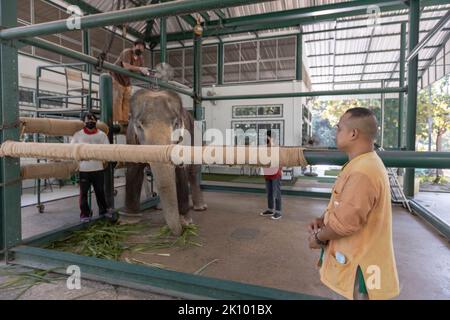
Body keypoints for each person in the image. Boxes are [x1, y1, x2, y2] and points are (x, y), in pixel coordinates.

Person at [307, 107, 399, 300]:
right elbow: (345, 206)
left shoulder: (362, 172)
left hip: (358, 273)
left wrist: (318, 237)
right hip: (356, 267)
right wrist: (323, 219)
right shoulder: (361, 164)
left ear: (353, 133)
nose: (335, 132)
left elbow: (344, 224)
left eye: (339, 128)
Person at [71, 112, 113, 222]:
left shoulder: (102, 135)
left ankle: (103, 211)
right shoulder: (78, 135)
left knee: (100, 192)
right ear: (83, 122)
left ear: (96, 121)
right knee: (83, 194)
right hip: (84, 169)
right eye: (88, 120)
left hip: (98, 168)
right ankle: (85, 214)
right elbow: (71, 149)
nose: (91, 122)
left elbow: (107, 150)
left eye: (93, 120)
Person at [110, 39, 150, 124]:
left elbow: (141, 70)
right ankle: (117, 121)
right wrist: (140, 68)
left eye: (142, 47)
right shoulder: (127, 52)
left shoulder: (141, 58)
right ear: (134, 46)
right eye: (138, 46)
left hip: (126, 80)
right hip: (116, 77)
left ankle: (124, 121)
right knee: (118, 99)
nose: (140, 48)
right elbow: (126, 66)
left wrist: (146, 72)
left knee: (127, 100)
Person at [260, 130, 282, 220]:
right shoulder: (264, 148)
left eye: (267, 137)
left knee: (276, 193)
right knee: (269, 193)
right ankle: (270, 209)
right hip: (267, 173)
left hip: (275, 173)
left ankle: (278, 212)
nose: (265, 139)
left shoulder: (276, 147)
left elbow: (281, 160)